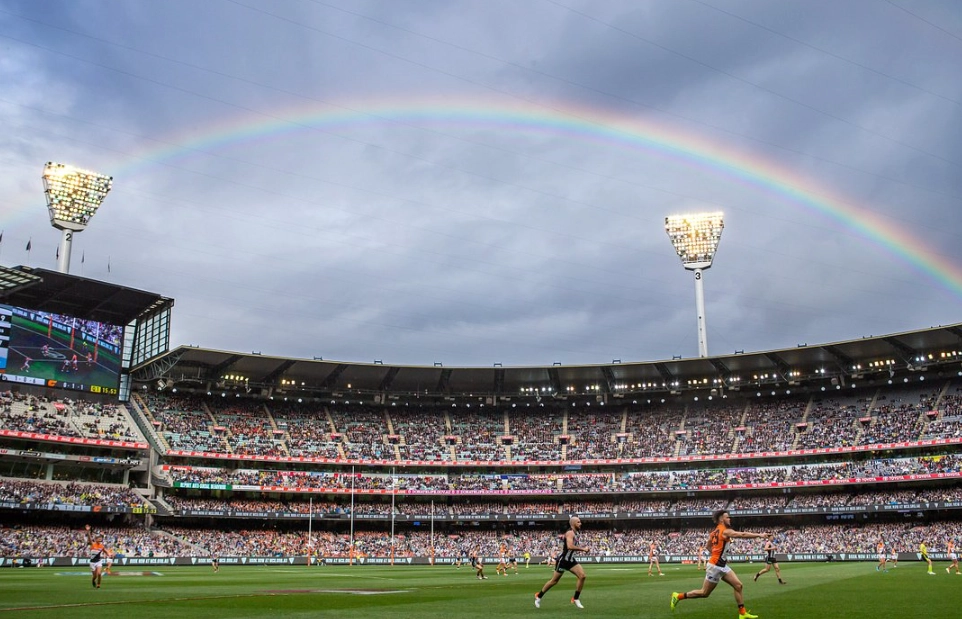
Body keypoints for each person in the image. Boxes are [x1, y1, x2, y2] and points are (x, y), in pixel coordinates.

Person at [671, 509, 770, 619]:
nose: (729, 519)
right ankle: (678, 596)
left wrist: (717, 555)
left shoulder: (713, 533)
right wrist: (760, 535)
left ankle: (742, 614)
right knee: (704, 593)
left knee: (738, 585)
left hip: (721, 565)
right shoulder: (725, 531)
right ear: (722, 519)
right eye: (727, 517)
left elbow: (708, 546)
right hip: (715, 566)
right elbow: (741, 534)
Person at [535, 516, 588, 609]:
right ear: (573, 524)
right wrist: (583, 549)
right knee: (554, 581)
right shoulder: (570, 533)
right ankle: (539, 596)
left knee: (582, 576)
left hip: (571, 561)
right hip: (563, 561)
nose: (580, 523)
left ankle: (576, 598)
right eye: (578, 522)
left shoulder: (576, 533)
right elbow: (570, 546)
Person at [85, 524, 106, 589]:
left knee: (99, 573)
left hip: (99, 561)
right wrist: (88, 531)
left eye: (100, 538)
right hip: (92, 562)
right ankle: (93, 580)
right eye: (98, 538)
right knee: (95, 576)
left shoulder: (102, 545)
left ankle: (98, 584)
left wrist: (108, 553)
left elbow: (104, 550)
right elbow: (89, 538)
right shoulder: (93, 544)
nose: (100, 539)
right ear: (96, 539)